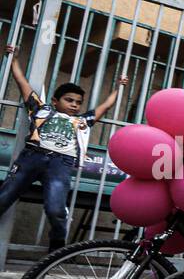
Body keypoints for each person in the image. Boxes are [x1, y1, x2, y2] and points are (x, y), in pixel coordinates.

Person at [1, 43, 128, 251]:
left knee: (56, 208)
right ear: (55, 100)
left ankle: (58, 243)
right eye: (69, 100)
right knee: (4, 196)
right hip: (32, 157)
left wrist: (119, 87)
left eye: (78, 102)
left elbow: (105, 106)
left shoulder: (82, 121)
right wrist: (14, 60)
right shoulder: (40, 110)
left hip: (61, 164)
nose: (74, 105)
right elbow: (22, 82)